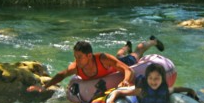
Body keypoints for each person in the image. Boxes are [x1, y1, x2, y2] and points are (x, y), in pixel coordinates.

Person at [27, 37, 163, 92]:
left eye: (79, 57)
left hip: (117, 65)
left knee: (135, 54)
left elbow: (128, 71)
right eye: (75, 57)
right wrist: (44, 86)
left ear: (89, 56)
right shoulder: (76, 67)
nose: (76, 60)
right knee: (119, 55)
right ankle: (126, 46)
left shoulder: (102, 59)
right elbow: (61, 74)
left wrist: (126, 81)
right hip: (113, 63)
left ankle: (152, 41)